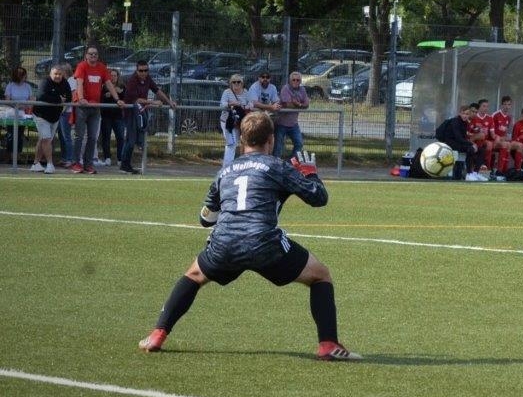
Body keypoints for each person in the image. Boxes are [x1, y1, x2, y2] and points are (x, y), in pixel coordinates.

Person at [138, 111, 361, 361]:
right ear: (271, 140)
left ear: (242, 140)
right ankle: (328, 344)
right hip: (263, 242)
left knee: (193, 276)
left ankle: (157, 334)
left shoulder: (225, 171)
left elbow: (206, 219)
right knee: (320, 275)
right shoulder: (277, 166)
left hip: (224, 243)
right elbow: (319, 198)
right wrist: (310, 174)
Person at [72, 46, 123, 174]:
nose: (93, 56)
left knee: (93, 137)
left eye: (95, 54)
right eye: (91, 54)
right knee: (79, 136)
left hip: (95, 107)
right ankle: (76, 163)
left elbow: (109, 84)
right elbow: (79, 83)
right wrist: (81, 98)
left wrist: (117, 99)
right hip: (82, 107)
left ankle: (88, 164)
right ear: (86, 55)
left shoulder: (102, 68)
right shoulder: (82, 66)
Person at [121, 60, 176, 174]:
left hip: (141, 112)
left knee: (136, 139)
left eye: (145, 70)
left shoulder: (148, 79)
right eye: (141, 71)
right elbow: (136, 100)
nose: (143, 73)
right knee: (131, 140)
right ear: (136, 70)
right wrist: (153, 102)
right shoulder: (132, 81)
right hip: (131, 113)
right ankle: (124, 165)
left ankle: (127, 165)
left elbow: (157, 91)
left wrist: (169, 102)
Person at [30, 66, 71, 174]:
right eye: (55, 74)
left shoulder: (65, 83)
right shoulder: (45, 82)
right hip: (41, 116)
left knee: (43, 140)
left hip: (55, 117)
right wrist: (58, 99)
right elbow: (41, 96)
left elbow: (69, 97)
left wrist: (57, 99)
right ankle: (49, 164)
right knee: (46, 140)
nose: (58, 76)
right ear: (50, 74)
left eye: (60, 74)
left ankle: (35, 164)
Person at [435, 104, 478, 180]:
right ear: (460, 113)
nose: (465, 116)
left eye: (467, 114)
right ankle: (469, 173)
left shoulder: (465, 123)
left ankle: (475, 172)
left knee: (481, 150)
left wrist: (471, 143)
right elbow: (459, 138)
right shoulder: (455, 121)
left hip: (458, 143)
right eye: (463, 114)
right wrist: (471, 144)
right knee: (470, 149)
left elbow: (463, 137)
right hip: (450, 143)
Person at [273, 71, 309, 159]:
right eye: (293, 80)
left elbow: (307, 104)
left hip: (293, 124)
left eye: (298, 80)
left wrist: (298, 104)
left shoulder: (302, 89)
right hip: (281, 123)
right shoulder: (286, 88)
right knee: (278, 146)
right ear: (290, 81)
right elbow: (288, 104)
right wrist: (300, 104)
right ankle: (276, 163)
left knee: (299, 144)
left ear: (300, 81)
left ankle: (291, 162)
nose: (295, 81)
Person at [220, 74, 253, 167]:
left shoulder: (246, 92)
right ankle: (227, 166)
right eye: (234, 82)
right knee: (231, 143)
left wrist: (244, 106)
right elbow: (222, 104)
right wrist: (231, 103)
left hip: (239, 121)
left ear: (242, 83)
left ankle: (233, 164)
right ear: (231, 83)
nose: (236, 84)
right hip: (227, 121)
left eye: (238, 82)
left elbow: (251, 104)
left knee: (236, 143)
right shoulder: (227, 92)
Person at [98, 67, 126, 167]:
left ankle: (120, 158)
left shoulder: (122, 87)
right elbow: (100, 99)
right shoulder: (104, 87)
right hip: (106, 116)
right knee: (106, 137)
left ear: (118, 77)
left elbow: (126, 99)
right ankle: (107, 158)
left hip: (118, 116)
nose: (113, 77)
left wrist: (121, 93)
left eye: (115, 75)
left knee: (120, 137)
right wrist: (105, 96)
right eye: (111, 75)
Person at [4, 66, 33, 161]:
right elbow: (7, 100)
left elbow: (31, 100)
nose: (26, 77)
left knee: (20, 134)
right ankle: (11, 156)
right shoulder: (10, 86)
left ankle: (18, 156)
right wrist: (17, 105)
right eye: (24, 75)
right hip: (12, 113)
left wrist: (25, 106)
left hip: (23, 114)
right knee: (11, 134)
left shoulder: (28, 86)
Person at [492, 95, 523, 174]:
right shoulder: (495, 115)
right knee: (506, 144)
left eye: (508, 104)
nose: (507, 106)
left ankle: (518, 171)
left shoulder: (509, 117)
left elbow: (506, 133)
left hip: (503, 140)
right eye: (505, 104)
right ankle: (500, 171)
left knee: (520, 145)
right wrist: (498, 137)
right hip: (494, 140)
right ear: (502, 105)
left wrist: (506, 137)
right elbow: (490, 131)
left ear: (510, 106)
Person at [468, 99, 494, 173]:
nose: (486, 108)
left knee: (489, 143)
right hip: (472, 140)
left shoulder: (490, 118)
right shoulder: (473, 118)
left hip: (482, 141)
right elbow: (468, 132)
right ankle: (478, 166)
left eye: (487, 106)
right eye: (484, 106)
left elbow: (493, 135)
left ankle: (487, 167)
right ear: (479, 107)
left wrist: (499, 138)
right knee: (481, 137)